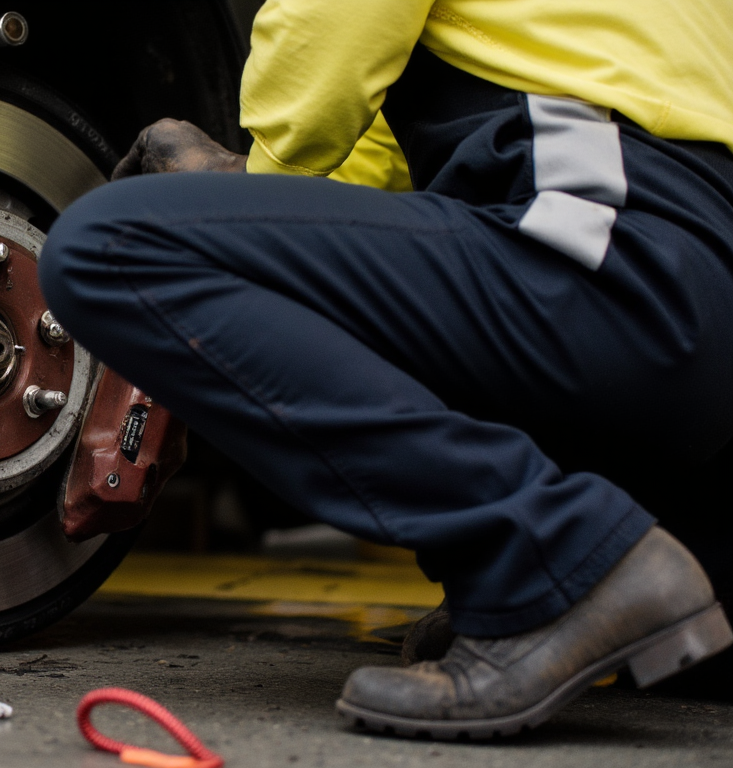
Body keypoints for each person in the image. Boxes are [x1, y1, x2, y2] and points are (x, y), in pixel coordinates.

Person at [37, 0, 733, 739]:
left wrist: (242, 184)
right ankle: (596, 571)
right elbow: (371, 176)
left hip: (622, 268)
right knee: (702, 656)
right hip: (684, 314)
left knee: (109, 249)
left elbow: (329, 26)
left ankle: (546, 558)